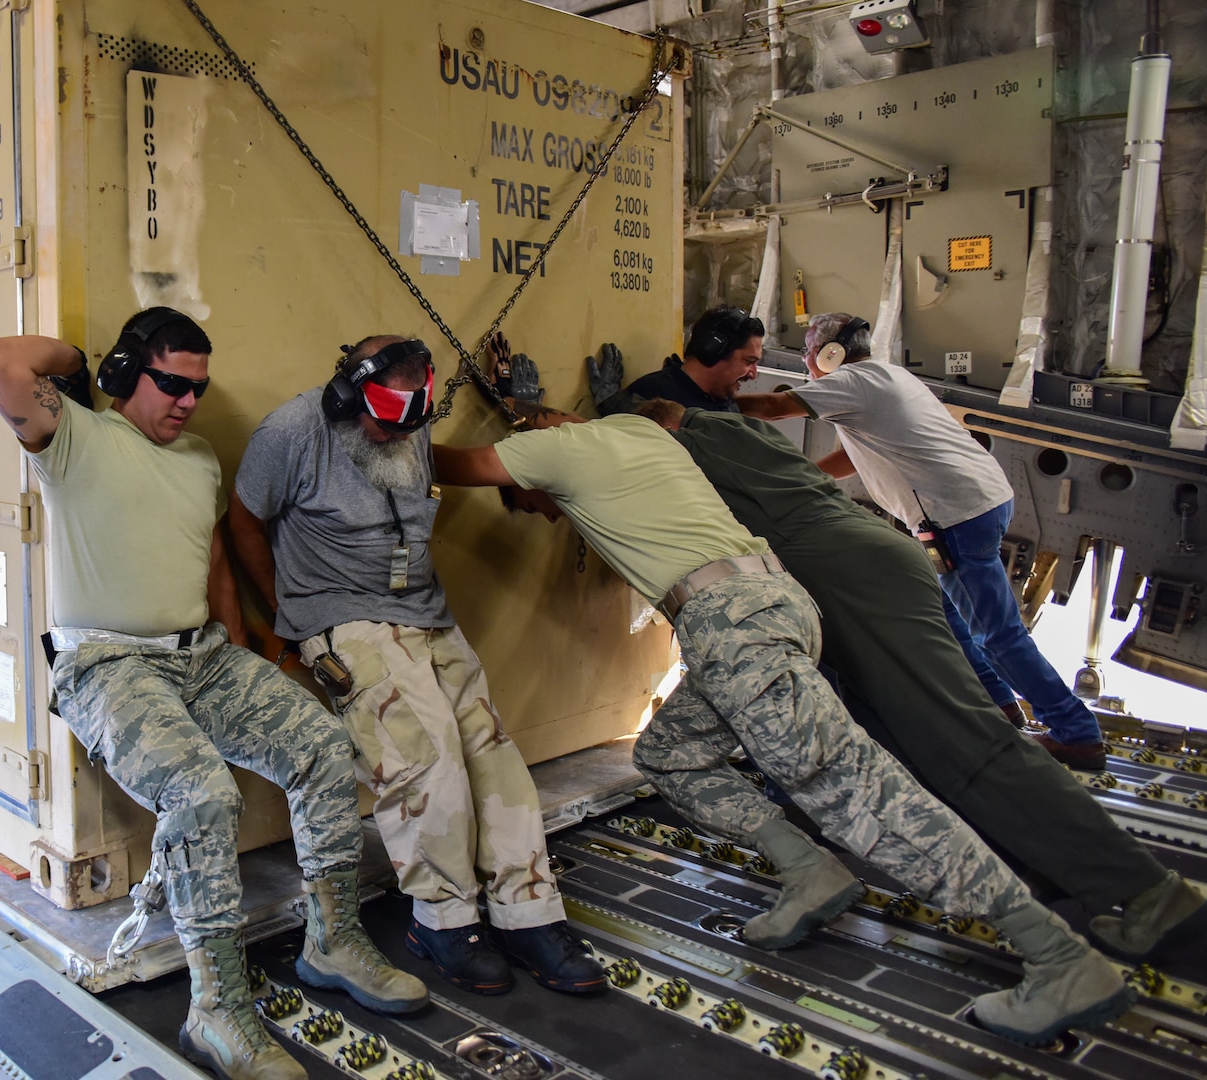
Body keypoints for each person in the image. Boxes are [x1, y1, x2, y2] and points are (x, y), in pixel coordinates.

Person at [433, 408, 1135, 1046]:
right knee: (672, 754)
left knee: (865, 797)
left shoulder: (549, 452)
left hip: (734, 629)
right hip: (772, 604)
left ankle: (1060, 958)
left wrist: (358, 417)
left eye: (532, 503)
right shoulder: (638, 433)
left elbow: (452, 463)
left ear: (537, 450)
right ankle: (810, 872)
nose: (547, 517)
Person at [0, 310, 426, 1080]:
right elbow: (1, 361)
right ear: (126, 376)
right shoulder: (74, 437)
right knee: (200, 793)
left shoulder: (200, 459)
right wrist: (87, 363)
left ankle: (333, 940)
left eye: (198, 388)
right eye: (170, 384)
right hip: (109, 665)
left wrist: (244, 650)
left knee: (321, 744)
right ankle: (215, 1010)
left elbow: (210, 551)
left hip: (204, 657)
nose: (186, 401)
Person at [643, 399, 1205, 963]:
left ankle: (1151, 894)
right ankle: (1047, 875)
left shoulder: (696, 439)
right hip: (850, 571)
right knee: (914, 752)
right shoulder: (729, 428)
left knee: (970, 744)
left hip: (852, 577)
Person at [229, 336, 605, 996]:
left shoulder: (412, 419)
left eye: (411, 423)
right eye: (381, 423)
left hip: (427, 613)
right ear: (347, 396)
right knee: (425, 762)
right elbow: (242, 519)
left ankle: (527, 910)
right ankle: (443, 920)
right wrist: (292, 614)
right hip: (344, 620)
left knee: (492, 754)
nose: (394, 436)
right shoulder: (292, 431)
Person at [737, 313, 1108, 769]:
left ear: (830, 354)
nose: (807, 363)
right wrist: (807, 479)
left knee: (996, 634)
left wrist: (707, 401)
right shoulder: (884, 376)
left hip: (955, 514)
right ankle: (998, 703)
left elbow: (775, 409)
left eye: (808, 353)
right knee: (949, 613)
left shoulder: (853, 381)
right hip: (976, 504)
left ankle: (1076, 733)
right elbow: (854, 454)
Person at [590, 305, 763, 416]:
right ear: (713, 351)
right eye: (749, 361)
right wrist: (613, 403)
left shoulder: (723, 399)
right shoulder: (652, 395)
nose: (754, 374)